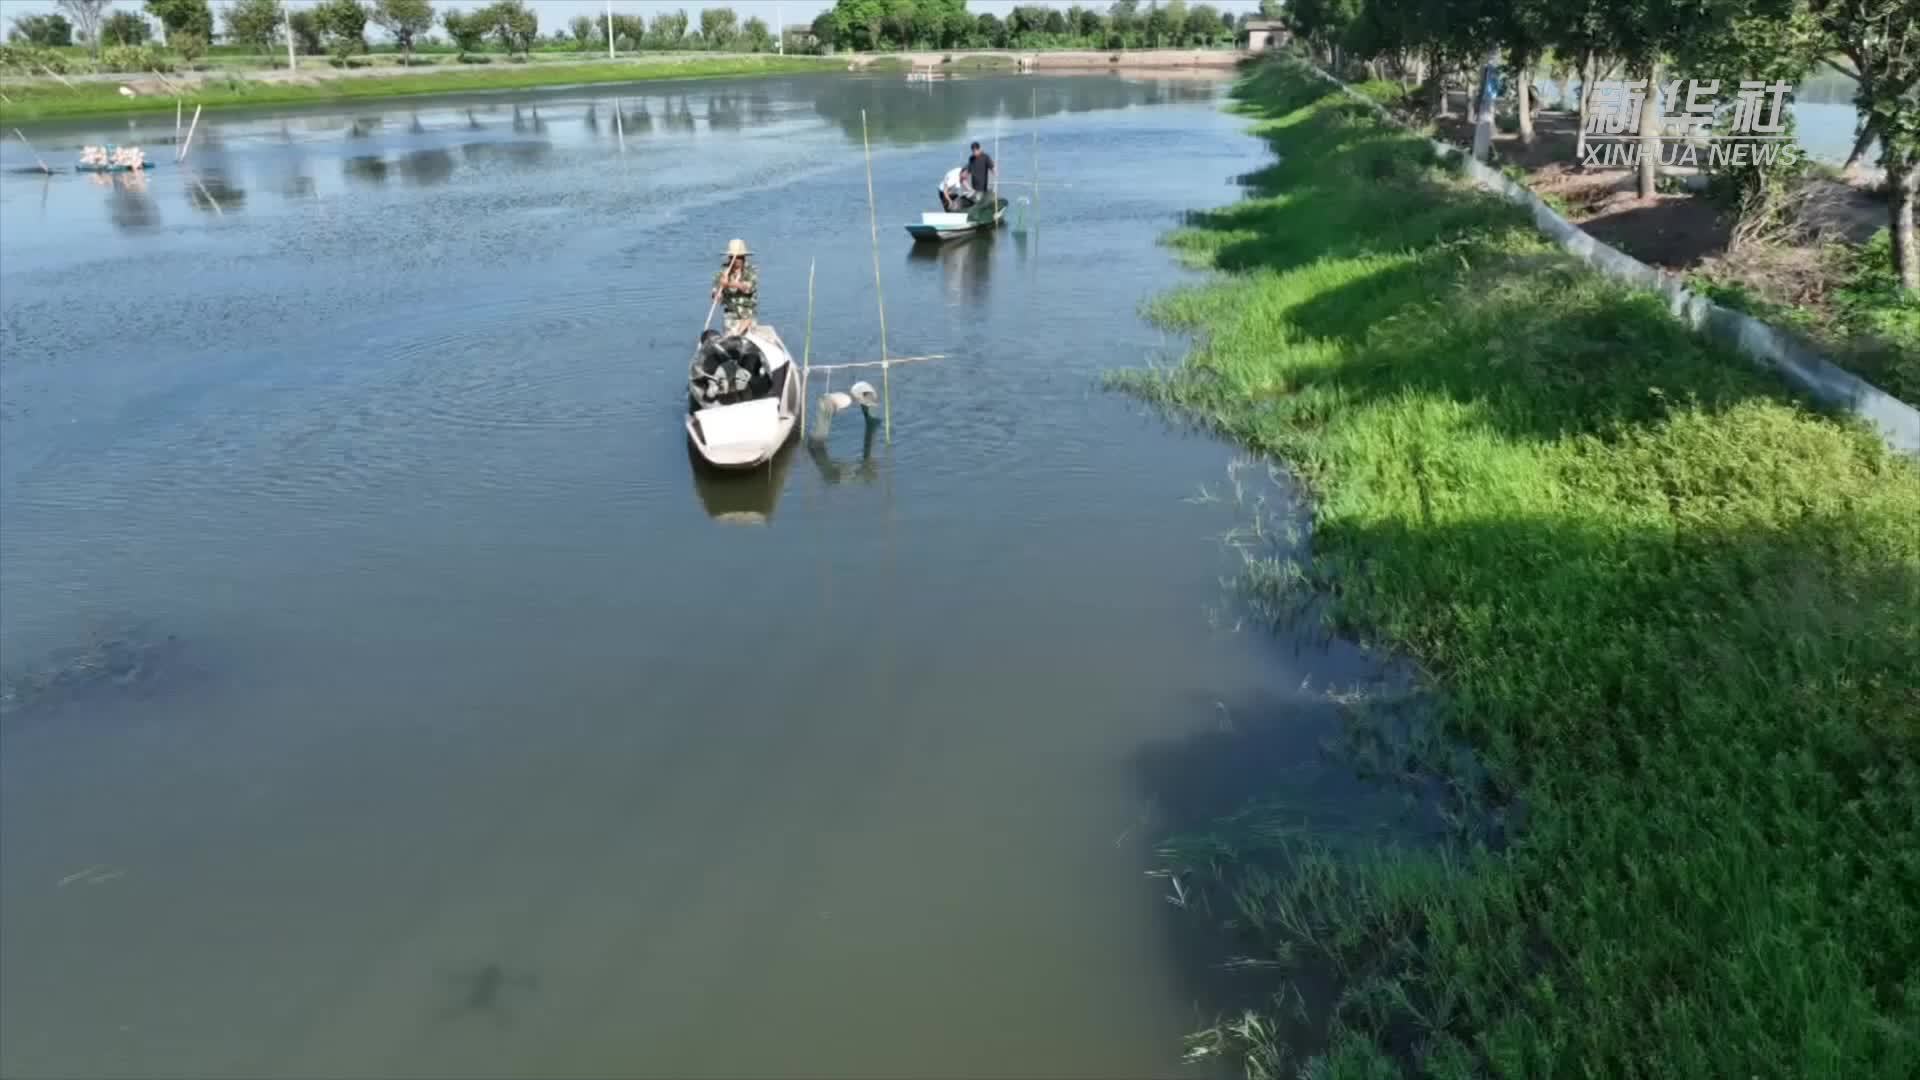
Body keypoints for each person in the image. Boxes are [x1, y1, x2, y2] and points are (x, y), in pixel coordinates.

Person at [711, 238, 758, 335]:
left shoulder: (751, 271)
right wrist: (717, 295)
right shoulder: (723, 272)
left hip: (747, 314)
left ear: (744, 258)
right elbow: (715, 293)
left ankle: (742, 332)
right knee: (731, 335)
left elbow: (747, 288)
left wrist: (728, 284)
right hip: (730, 315)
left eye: (739, 257)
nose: (736, 260)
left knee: (745, 332)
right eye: (733, 257)